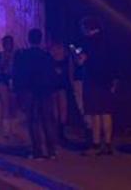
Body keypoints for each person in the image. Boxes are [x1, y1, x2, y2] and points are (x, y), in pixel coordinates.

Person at [14, 29, 58, 159]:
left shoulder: (24, 55)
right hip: (45, 91)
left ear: (29, 39)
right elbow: (52, 74)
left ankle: (37, 151)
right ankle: (51, 151)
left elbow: (20, 74)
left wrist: (19, 90)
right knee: (47, 121)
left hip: (30, 91)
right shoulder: (47, 56)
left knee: (33, 121)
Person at [78, 17, 117, 155]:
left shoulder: (87, 43)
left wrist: (78, 57)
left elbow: (82, 61)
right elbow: (114, 61)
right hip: (106, 81)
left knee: (95, 113)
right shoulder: (108, 41)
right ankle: (107, 143)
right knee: (106, 112)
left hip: (92, 81)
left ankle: (95, 144)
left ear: (87, 28)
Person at [0, 35, 17, 139]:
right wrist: (1, 68)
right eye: (6, 43)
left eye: (10, 43)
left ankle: (12, 128)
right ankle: (6, 131)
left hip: (14, 82)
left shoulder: (17, 56)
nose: (8, 46)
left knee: (13, 105)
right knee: (5, 104)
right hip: (2, 80)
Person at [49, 40, 72, 144]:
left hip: (61, 84)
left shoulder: (65, 58)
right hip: (56, 84)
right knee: (57, 109)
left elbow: (70, 72)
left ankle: (59, 132)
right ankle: (58, 133)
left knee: (61, 109)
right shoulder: (52, 58)